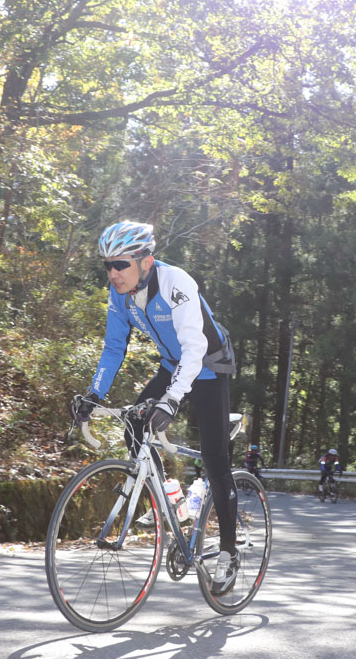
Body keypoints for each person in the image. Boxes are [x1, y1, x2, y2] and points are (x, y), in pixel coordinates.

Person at [72, 221, 237, 595]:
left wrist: (173, 399)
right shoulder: (121, 294)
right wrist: (94, 394)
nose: (113, 273)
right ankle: (174, 499)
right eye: (108, 265)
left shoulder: (176, 282)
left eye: (120, 265)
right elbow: (114, 347)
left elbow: (194, 349)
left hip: (209, 367)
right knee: (134, 423)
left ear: (145, 262)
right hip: (171, 365)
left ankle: (228, 553)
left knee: (215, 459)